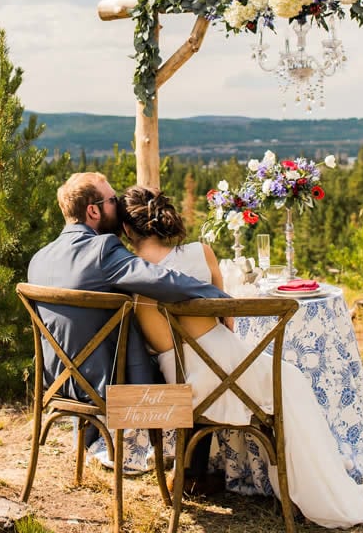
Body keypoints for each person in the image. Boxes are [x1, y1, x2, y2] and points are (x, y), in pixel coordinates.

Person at [118, 185, 363, 529]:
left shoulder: (126, 274)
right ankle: (302, 488)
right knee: (291, 382)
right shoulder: (200, 253)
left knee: (278, 380)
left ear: (127, 229)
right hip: (224, 367)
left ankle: (203, 471)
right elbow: (228, 319)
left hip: (179, 383)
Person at [27, 172, 228, 488]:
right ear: (93, 211)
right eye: (111, 201)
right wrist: (219, 298)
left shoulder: (39, 259)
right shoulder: (102, 249)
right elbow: (161, 280)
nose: (117, 207)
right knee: (194, 370)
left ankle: (182, 470)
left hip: (59, 385)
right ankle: (193, 476)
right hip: (116, 393)